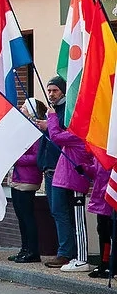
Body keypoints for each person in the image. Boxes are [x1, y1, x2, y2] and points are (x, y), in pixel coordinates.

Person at [45, 76, 94, 271]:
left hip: (73, 179)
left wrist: (51, 117)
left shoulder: (80, 133)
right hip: (62, 177)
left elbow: (56, 137)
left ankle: (77, 255)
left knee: (76, 218)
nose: (51, 94)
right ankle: (67, 253)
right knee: (59, 213)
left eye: (54, 90)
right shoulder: (74, 132)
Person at [9, 100, 44, 263]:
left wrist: (17, 158)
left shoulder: (35, 131)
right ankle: (24, 248)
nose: (20, 108)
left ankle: (33, 250)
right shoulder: (23, 129)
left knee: (27, 215)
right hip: (17, 177)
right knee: (21, 216)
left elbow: (36, 157)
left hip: (27, 178)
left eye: (24, 107)